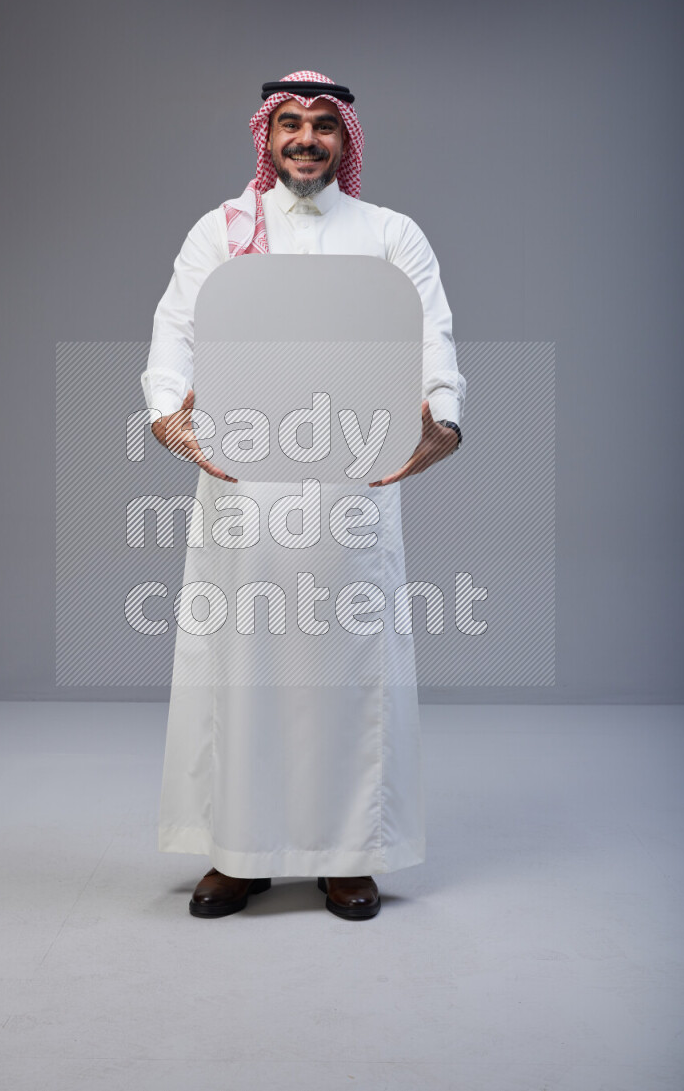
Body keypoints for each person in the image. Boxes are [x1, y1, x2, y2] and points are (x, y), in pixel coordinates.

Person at [141, 70, 466, 920]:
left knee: (348, 672)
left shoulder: (392, 234)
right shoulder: (223, 230)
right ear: (267, 134)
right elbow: (174, 330)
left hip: (353, 483)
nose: (306, 139)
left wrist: (445, 420)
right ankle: (239, 854)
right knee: (242, 671)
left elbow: (432, 335)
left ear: (345, 138)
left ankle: (349, 855)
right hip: (245, 485)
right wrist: (168, 417)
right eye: (290, 123)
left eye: (323, 124)